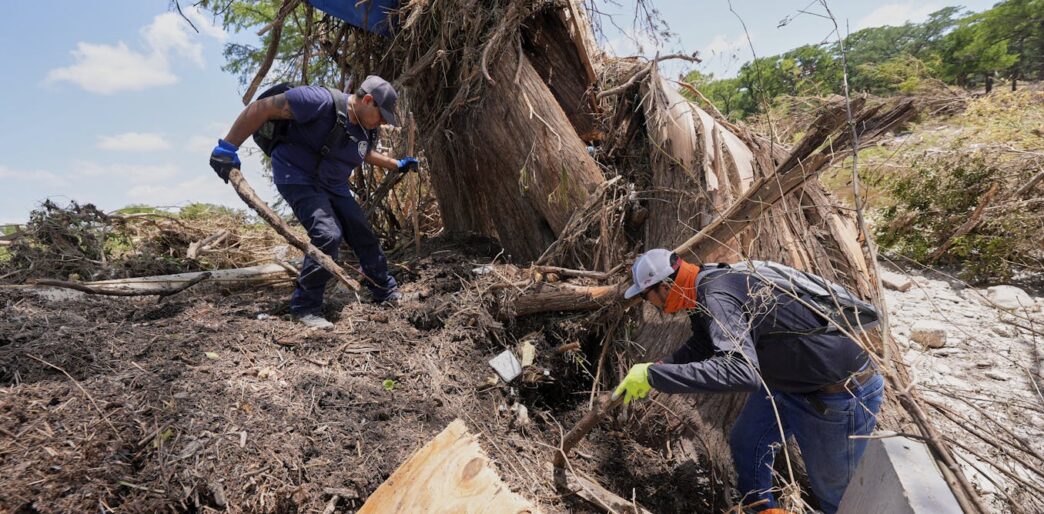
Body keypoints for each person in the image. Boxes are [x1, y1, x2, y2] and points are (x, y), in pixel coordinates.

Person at [612, 249, 884, 514]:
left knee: (837, 497)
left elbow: (741, 372)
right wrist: (664, 365)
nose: (652, 306)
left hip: (837, 394)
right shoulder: (700, 289)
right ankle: (762, 510)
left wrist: (654, 376)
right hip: (787, 385)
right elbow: (704, 343)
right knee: (748, 443)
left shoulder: (716, 295)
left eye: (649, 297)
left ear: (666, 285)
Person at [209, 76, 418, 329]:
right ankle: (305, 307)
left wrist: (396, 164)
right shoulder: (317, 100)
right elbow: (260, 108)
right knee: (327, 234)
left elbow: (364, 152)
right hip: (297, 176)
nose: (384, 121)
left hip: (333, 183)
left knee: (362, 233)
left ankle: (385, 290)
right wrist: (228, 147)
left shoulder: (367, 127)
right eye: (382, 114)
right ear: (367, 100)